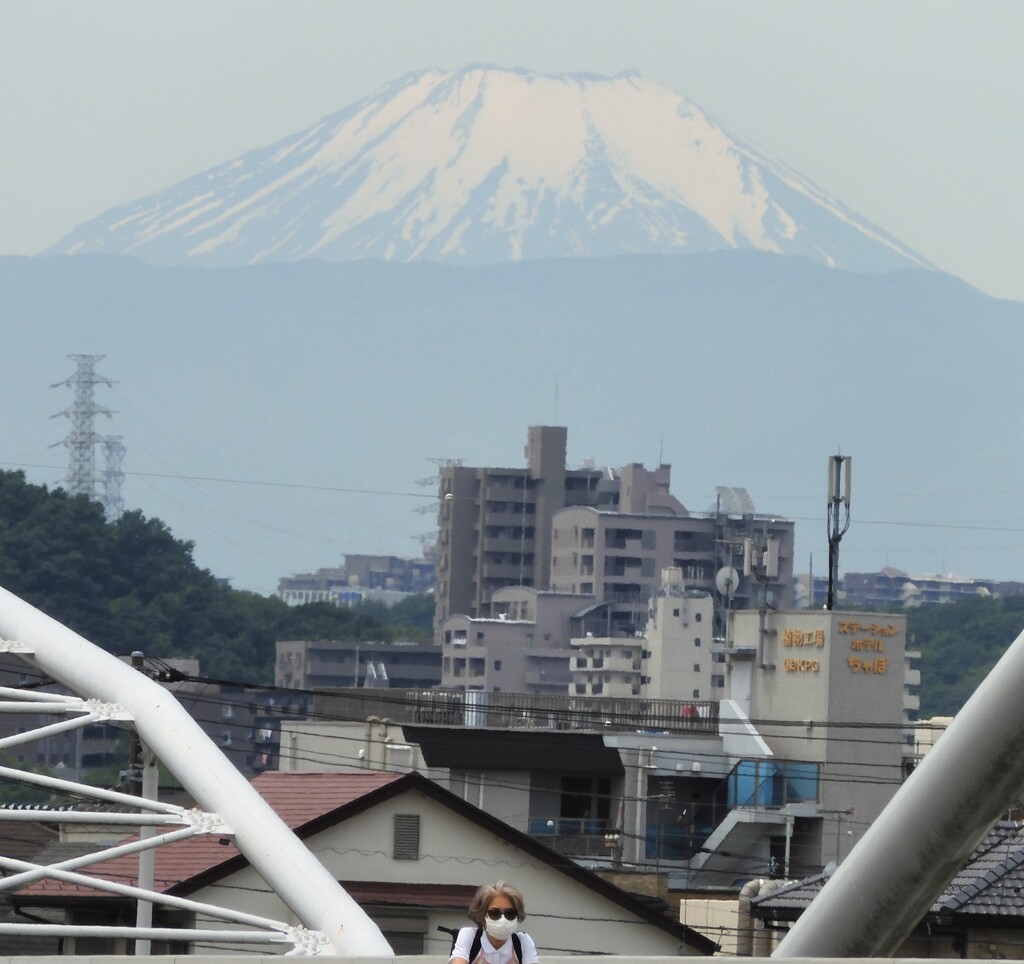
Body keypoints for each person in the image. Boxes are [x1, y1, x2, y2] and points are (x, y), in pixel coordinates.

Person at [449, 880, 539, 964]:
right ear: (483, 914)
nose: (503, 919)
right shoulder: (469, 936)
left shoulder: (523, 942)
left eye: (510, 913)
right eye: (495, 913)